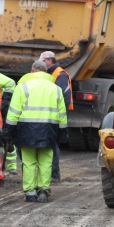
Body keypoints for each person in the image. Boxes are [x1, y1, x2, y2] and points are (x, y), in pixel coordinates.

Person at [3, 60, 68, 203]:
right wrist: (62, 134)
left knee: (28, 162)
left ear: (32, 70)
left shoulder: (22, 87)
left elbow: (13, 113)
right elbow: (62, 114)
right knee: (46, 162)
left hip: (26, 130)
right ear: (46, 71)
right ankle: (43, 190)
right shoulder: (56, 89)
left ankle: (30, 193)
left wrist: (8, 132)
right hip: (49, 130)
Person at [38, 51, 72, 183]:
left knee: (53, 145)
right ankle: (51, 174)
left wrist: (58, 117)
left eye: (43, 61)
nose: (42, 64)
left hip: (55, 116)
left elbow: (63, 97)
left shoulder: (60, 74)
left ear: (49, 61)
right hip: (50, 115)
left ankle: (54, 175)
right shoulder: (52, 73)